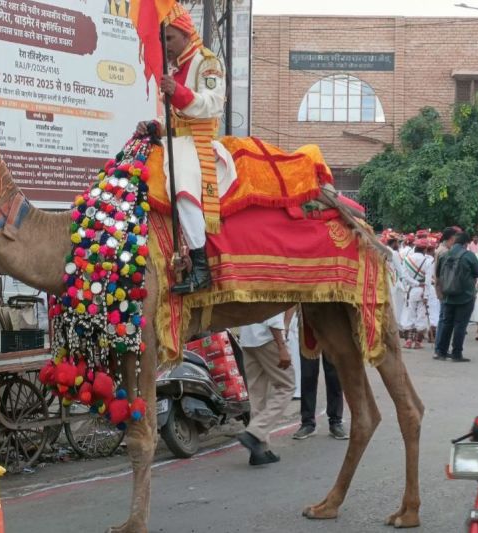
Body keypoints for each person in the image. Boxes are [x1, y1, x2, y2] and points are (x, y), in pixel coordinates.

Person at [135, 4, 237, 294]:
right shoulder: (175, 67)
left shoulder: (207, 62)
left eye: (169, 38)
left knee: (182, 189)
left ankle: (201, 266)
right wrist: (154, 126)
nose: (165, 45)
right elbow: (173, 118)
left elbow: (213, 104)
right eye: (162, 39)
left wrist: (177, 92)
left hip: (197, 141)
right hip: (174, 142)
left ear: (186, 34)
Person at [236, 311, 295, 465]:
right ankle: (254, 433)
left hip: (248, 340)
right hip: (267, 339)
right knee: (287, 386)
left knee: (257, 395)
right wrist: (282, 346)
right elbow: (273, 316)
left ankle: (260, 450)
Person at [434, 231, 478, 362]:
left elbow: (438, 274)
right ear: (466, 243)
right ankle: (456, 353)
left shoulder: (444, 255)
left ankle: (441, 352)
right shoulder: (469, 255)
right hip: (465, 295)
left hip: (447, 295)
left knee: (446, 324)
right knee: (460, 325)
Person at [292, 352, 348, 440]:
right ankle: (307, 423)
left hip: (333, 342)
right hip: (309, 342)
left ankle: (336, 422)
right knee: (308, 374)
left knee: (334, 376)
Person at [400, 238, 434, 350]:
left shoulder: (407, 259)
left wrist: (415, 283)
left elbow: (404, 276)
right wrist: (426, 295)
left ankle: (408, 341)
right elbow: (428, 280)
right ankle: (418, 342)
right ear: (424, 249)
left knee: (409, 314)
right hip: (423, 290)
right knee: (421, 315)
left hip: (411, 290)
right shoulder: (428, 261)